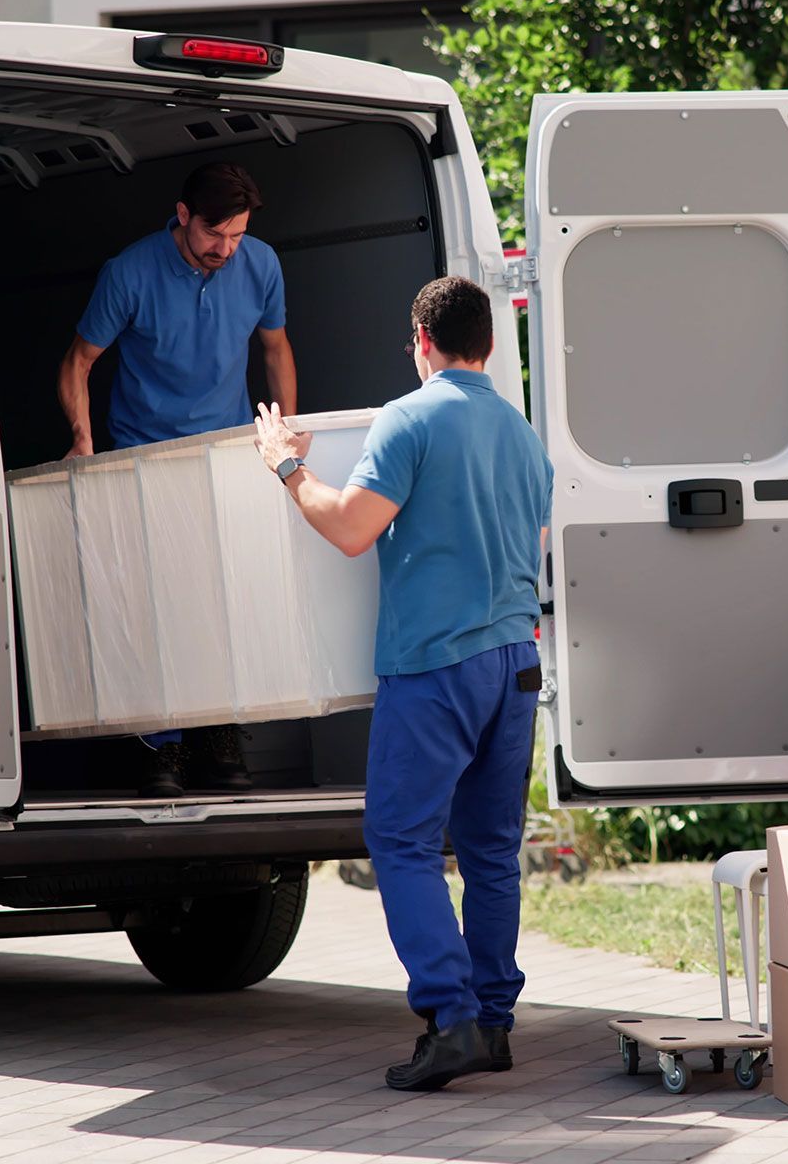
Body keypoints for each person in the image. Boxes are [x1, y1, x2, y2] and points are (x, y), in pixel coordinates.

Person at [252, 276, 553, 1092]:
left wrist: (286, 468)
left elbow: (351, 529)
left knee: (401, 839)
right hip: (514, 664)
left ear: (421, 342)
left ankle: (449, 1018)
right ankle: (492, 1025)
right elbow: (534, 543)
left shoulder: (409, 417)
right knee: (491, 852)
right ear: (484, 344)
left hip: (438, 666)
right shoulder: (525, 438)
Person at [58, 161, 297, 799]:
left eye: (237, 237)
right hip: (145, 456)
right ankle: (159, 745)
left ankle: (217, 733)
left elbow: (275, 349)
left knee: (223, 603)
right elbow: (79, 362)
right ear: (183, 216)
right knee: (157, 605)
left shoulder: (261, 265)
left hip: (227, 453)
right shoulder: (130, 272)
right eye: (214, 234)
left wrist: (284, 436)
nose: (225, 250)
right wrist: (82, 439)